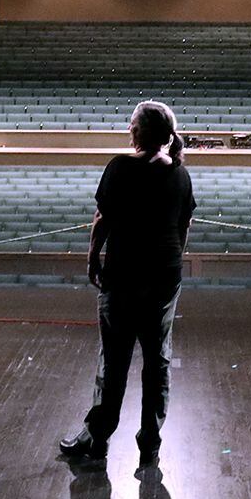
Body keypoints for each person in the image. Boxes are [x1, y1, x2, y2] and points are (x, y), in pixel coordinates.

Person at [59, 100, 195, 466]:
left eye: (132, 125)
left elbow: (103, 219)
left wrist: (92, 257)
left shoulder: (120, 167)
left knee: (114, 359)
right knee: (157, 360)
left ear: (139, 132)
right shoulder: (181, 174)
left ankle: (97, 437)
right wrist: (171, 259)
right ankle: (150, 441)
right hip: (165, 278)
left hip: (123, 276)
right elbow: (184, 226)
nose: (129, 129)